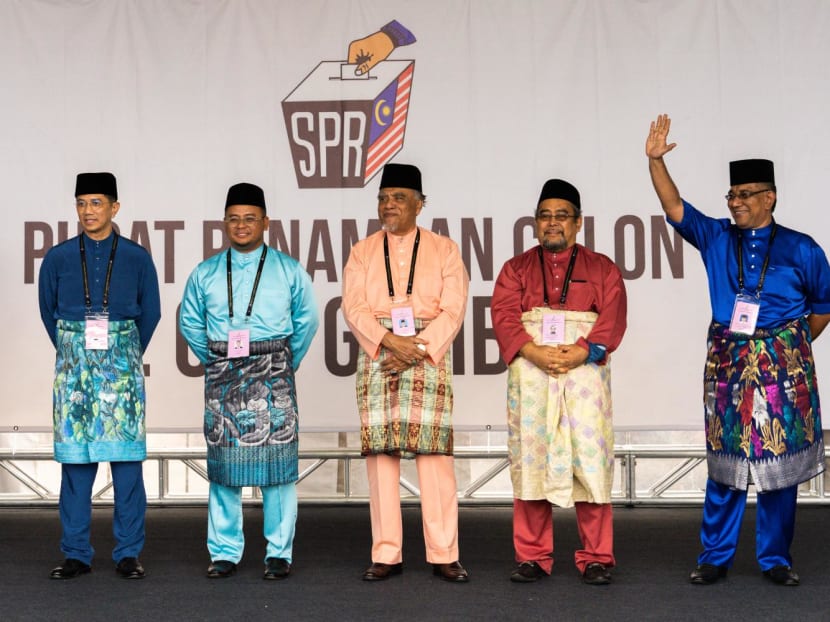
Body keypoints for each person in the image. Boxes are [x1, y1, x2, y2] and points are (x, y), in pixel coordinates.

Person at [645, 114, 830, 586]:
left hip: (783, 367)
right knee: (726, 462)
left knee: (779, 467)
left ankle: (775, 560)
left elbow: (823, 306)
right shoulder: (716, 238)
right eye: (731, 195)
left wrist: (789, 347)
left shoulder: (802, 248)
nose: (735, 202)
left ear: (769, 197)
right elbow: (674, 206)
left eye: (745, 195)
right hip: (728, 363)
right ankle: (714, 557)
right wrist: (655, 162)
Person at [179, 182, 319, 580]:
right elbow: (189, 321)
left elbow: (307, 320)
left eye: (250, 219)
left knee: (278, 467)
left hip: (272, 374)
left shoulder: (288, 269)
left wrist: (282, 362)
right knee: (224, 467)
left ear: (265, 222)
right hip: (222, 374)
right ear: (224, 222)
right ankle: (224, 551)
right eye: (234, 219)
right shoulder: (205, 272)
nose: (241, 226)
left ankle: (279, 552)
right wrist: (216, 361)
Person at [491, 178, 627, 585]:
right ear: (535, 222)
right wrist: (534, 351)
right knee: (532, 456)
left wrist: (584, 350)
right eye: (545, 216)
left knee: (590, 459)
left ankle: (597, 556)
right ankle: (532, 556)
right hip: (532, 372)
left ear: (578, 222)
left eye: (562, 216)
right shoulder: (515, 268)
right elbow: (504, 315)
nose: (553, 223)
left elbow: (613, 315)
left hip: (583, 371)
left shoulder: (602, 268)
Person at [341, 163, 470, 583]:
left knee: (434, 456)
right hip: (379, 350)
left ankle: (444, 553)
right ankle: (386, 553)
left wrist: (418, 347)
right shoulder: (362, 251)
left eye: (398, 197)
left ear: (420, 203)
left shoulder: (445, 249)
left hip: (427, 351)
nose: (388, 204)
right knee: (382, 458)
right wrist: (385, 341)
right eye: (383, 198)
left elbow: (454, 307)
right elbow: (354, 306)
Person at [38, 172, 161, 580]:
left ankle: (128, 553)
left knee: (127, 465)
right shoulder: (56, 258)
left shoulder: (136, 256)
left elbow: (152, 312)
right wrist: (75, 353)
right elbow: (47, 312)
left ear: (115, 207)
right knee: (75, 466)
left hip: (122, 367)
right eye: (81, 203)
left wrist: (121, 354)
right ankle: (76, 553)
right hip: (73, 368)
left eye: (96, 203)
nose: (88, 211)